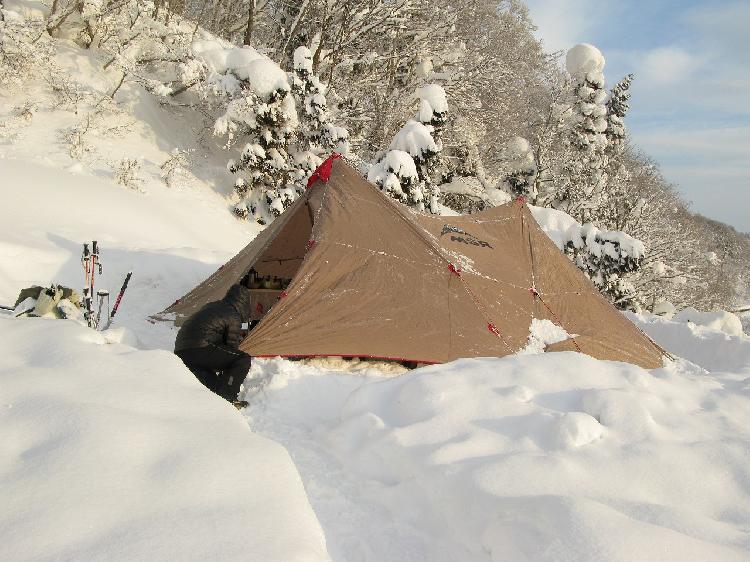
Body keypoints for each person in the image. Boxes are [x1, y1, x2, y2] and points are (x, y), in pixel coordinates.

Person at [174, 282, 253, 408]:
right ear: (245, 304)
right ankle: (228, 398)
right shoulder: (233, 315)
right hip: (200, 347)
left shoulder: (213, 306)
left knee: (213, 385)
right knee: (242, 359)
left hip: (182, 350)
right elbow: (231, 347)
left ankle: (215, 404)